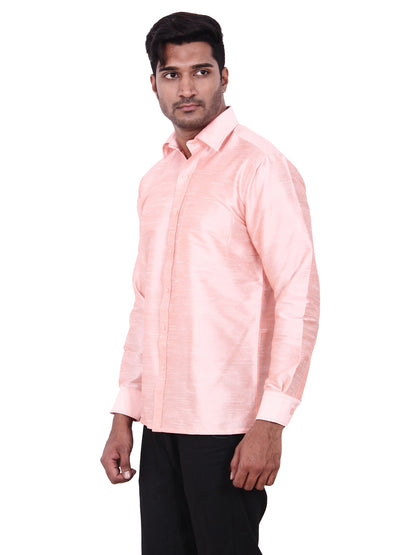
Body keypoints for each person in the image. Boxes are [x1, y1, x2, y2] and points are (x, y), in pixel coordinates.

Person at [101, 11, 320, 555]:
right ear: (153, 83)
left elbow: (298, 295)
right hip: (160, 425)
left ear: (224, 76)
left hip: (228, 425)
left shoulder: (259, 167)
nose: (187, 88)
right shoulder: (155, 180)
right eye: (171, 75)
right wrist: (124, 413)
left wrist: (271, 422)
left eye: (201, 71)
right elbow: (145, 305)